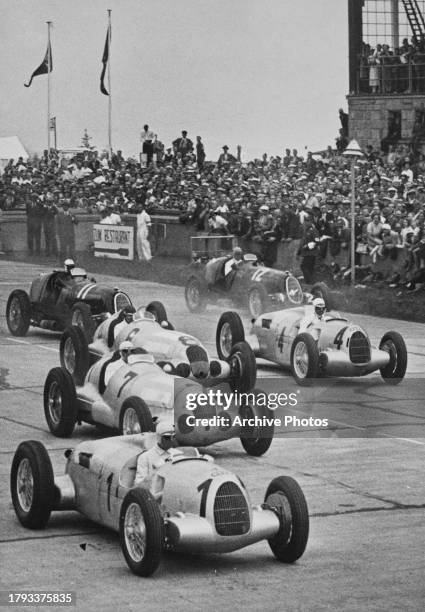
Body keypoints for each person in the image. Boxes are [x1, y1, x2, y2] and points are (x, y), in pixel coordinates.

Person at [134, 420, 183, 496]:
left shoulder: (179, 455)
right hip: (154, 499)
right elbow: (139, 486)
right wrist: (157, 470)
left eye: (174, 436)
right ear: (158, 438)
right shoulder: (145, 457)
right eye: (167, 437)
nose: (171, 440)